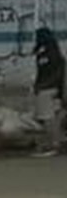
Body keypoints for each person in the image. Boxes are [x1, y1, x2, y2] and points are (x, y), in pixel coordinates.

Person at [32, 27, 65, 157]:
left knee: (48, 119)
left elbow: (53, 74)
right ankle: (55, 143)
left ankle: (53, 144)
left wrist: (41, 86)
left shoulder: (47, 54)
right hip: (51, 89)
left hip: (47, 90)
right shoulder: (53, 53)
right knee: (52, 119)